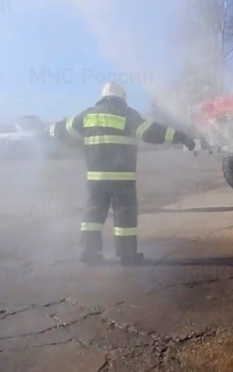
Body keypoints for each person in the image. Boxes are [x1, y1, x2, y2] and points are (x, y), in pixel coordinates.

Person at [49, 81, 198, 266]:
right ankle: (127, 255)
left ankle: (89, 251)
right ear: (123, 98)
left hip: (96, 179)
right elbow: (154, 132)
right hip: (122, 179)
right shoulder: (128, 115)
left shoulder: (87, 116)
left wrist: (44, 131)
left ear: (103, 97)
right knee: (124, 213)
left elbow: (62, 130)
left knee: (93, 213)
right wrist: (182, 137)